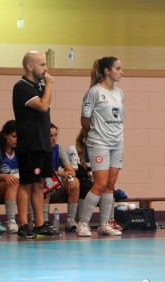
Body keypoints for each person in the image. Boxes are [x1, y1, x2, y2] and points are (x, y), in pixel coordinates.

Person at [12, 50, 60, 239]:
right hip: (29, 143)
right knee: (26, 183)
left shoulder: (40, 86)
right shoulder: (21, 87)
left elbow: (46, 106)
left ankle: (39, 224)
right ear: (30, 66)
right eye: (41, 64)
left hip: (43, 142)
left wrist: (45, 86)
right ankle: (23, 224)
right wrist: (48, 85)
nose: (46, 68)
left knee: (40, 184)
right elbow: (42, 106)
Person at [76, 56, 124, 237]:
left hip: (117, 142)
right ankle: (83, 224)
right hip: (100, 142)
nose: (121, 72)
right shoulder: (94, 92)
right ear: (107, 71)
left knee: (111, 184)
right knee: (100, 183)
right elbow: (85, 120)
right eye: (118, 68)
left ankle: (105, 224)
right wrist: (91, 135)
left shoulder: (119, 93)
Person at [67, 129, 122, 230]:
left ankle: (108, 221)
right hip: (80, 178)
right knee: (85, 185)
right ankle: (82, 222)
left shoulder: (98, 149)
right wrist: (89, 174)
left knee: (109, 185)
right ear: (84, 139)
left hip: (93, 178)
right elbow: (76, 172)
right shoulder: (73, 150)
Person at [28, 123, 80, 232]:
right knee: (46, 179)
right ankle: (44, 221)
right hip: (40, 189)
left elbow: (71, 170)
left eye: (55, 135)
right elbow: (37, 172)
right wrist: (59, 173)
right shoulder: (37, 149)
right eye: (50, 136)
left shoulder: (59, 149)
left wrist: (70, 178)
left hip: (58, 189)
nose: (53, 139)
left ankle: (70, 220)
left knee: (75, 182)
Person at [0, 120, 19, 233]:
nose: (17, 139)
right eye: (14, 136)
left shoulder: (20, 151)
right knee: (13, 182)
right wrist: (4, 176)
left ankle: (33, 220)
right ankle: (10, 220)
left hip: (17, 188)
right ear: (5, 135)